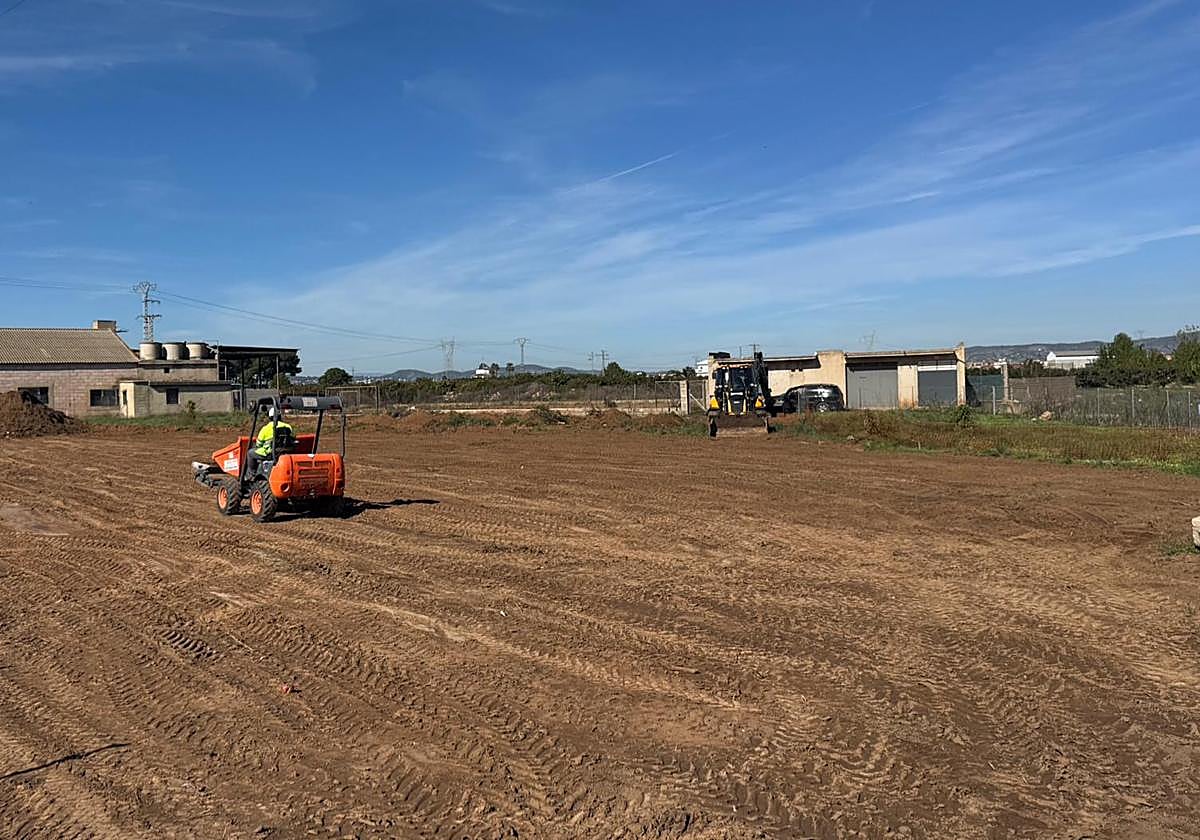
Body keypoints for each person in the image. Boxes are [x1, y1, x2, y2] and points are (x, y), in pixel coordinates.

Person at [246, 405, 293, 476]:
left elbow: (259, 444)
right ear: (280, 416)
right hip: (284, 451)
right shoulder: (288, 426)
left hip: (269, 453)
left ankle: (252, 473)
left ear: (270, 417)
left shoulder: (265, 429)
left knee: (250, 453)